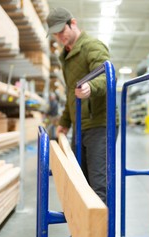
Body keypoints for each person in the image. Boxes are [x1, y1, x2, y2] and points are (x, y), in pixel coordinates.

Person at [46, 7, 119, 204]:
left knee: (98, 183)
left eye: (62, 31)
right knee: (81, 182)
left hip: (100, 123)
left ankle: (100, 235)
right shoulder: (66, 57)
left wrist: (91, 87)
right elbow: (71, 92)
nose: (60, 37)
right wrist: (65, 122)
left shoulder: (92, 47)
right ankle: (85, 233)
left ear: (73, 23)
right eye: (55, 34)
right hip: (80, 124)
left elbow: (108, 76)